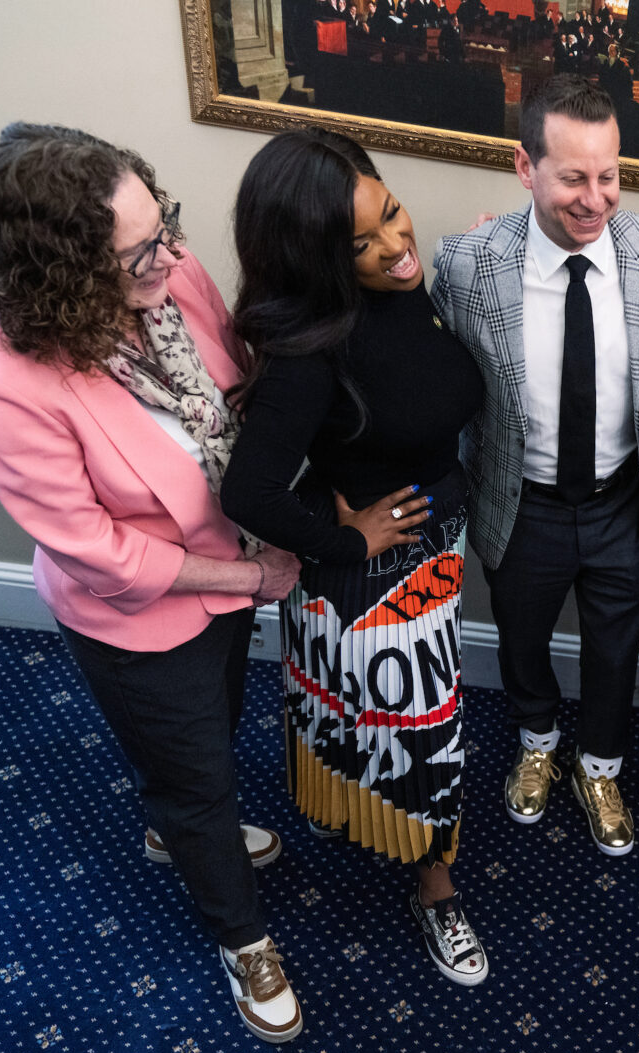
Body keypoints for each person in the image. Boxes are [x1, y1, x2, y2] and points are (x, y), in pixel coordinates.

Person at [0, 123, 304, 1042]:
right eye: (139, 251)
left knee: (215, 730)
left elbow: (234, 383)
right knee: (195, 780)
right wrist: (248, 574)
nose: (173, 257)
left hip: (234, 568)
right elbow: (99, 550)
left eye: (165, 227)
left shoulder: (169, 269)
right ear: (57, 276)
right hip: (138, 611)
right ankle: (240, 935)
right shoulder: (1, 383)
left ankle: (181, 833)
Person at [220, 129, 489, 985]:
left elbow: (420, 383)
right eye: (362, 246)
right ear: (317, 262)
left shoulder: (413, 290)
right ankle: (436, 889)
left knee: (405, 733)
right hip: (363, 584)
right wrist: (344, 538)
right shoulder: (312, 353)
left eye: (393, 215)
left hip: (432, 550)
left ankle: (389, 840)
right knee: (424, 738)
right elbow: (248, 494)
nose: (396, 249)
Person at [430, 76, 639, 860]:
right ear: (526, 168)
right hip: (523, 505)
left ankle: (600, 767)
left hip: (625, 501)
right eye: (574, 178)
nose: (597, 199)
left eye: (610, 174)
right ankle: (535, 739)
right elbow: (434, 382)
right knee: (522, 639)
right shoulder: (464, 266)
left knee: (616, 652)